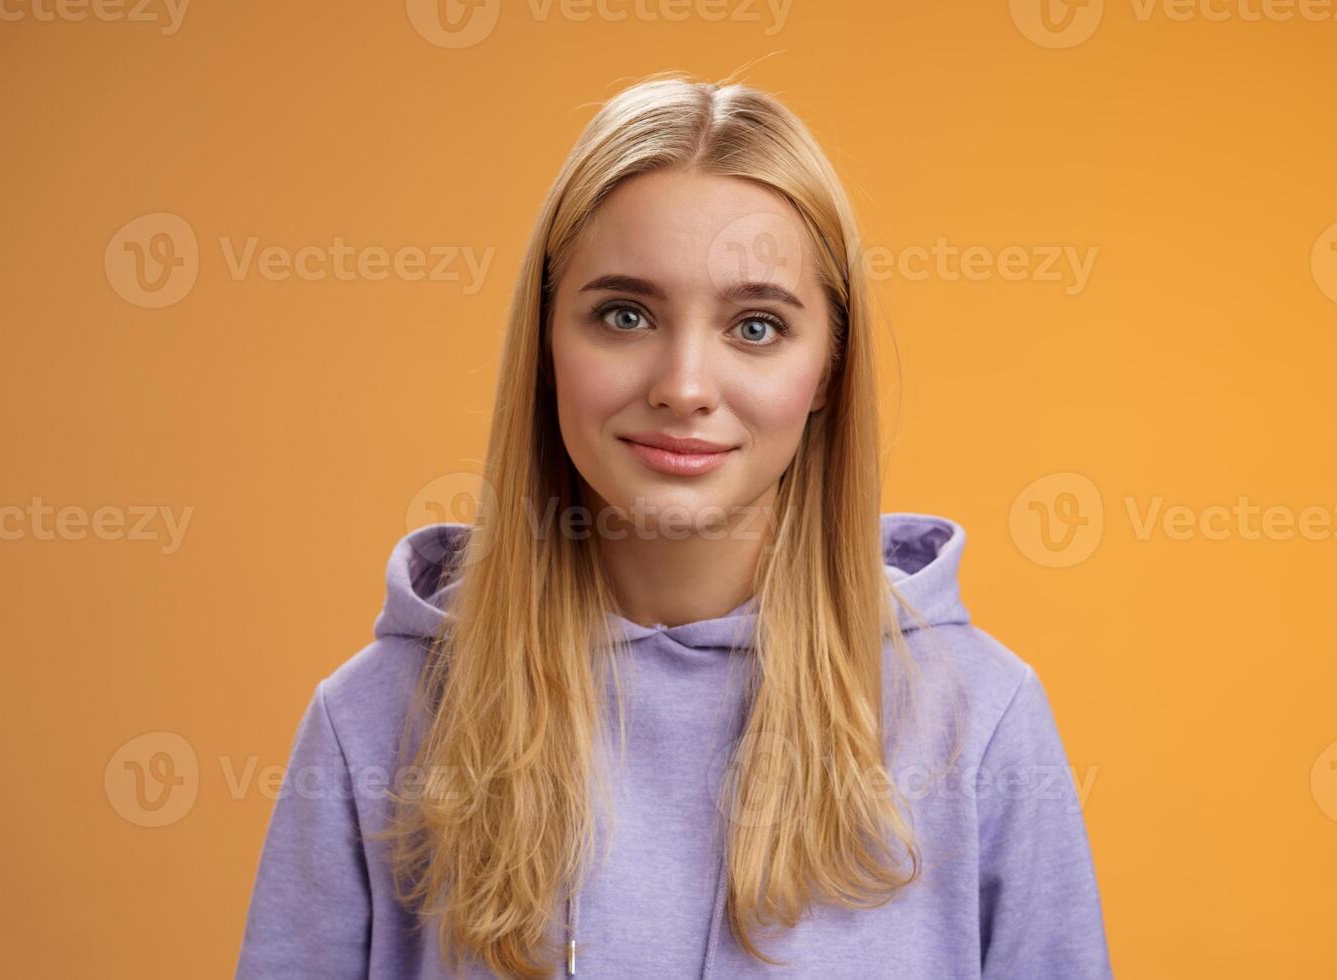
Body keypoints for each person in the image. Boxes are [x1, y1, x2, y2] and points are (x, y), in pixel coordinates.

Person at [236, 73, 1112, 979]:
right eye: (625, 315)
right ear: (544, 344)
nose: (684, 385)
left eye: (758, 327)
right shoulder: (373, 722)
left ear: (829, 374)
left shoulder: (980, 719)